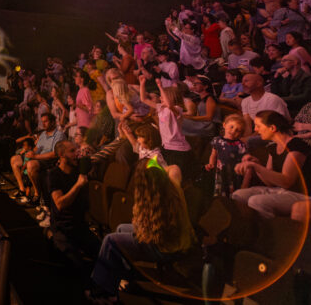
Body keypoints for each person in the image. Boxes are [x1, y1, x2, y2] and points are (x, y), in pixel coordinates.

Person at [89, 160, 194, 301]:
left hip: (164, 248)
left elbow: (146, 233)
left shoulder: (153, 203)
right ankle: (125, 277)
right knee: (121, 228)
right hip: (174, 241)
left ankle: (103, 292)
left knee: (110, 240)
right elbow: (175, 167)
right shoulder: (172, 185)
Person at [232, 111, 311, 218]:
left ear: (272, 128)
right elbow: (270, 183)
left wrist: (256, 166)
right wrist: (256, 164)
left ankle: (270, 231)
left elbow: (287, 181)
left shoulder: (296, 146)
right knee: (239, 195)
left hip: (302, 194)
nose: (255, 130)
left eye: (258, 126)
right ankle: (248, 229)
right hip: (281, 191)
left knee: (257, 201)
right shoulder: (273, 148)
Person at [47, 140, 98, 256]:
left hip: (80, 227)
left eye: (76, 150)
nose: (77, 153)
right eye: (72, 151)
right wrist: (78, 185)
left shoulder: (79, 167)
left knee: (102, 255)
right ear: (61, 155)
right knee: (73, 262)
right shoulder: (54, 174)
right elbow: (60, 204)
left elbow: (101, 155)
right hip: (63, 228)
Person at [10, 112, 62, 206]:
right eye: (42, 122)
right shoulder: (43, 134)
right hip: (38, 157)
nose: (43, 124)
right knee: (14, 159)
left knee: (31, 165)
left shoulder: (58, 135)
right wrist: (31, 152)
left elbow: (54, 154)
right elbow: (37, 148)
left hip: (48, 160)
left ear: (53, 122)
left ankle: (37, 194)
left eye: (46, 121)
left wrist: (35, 156)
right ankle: (22, 189)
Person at [205, 114, 249, 197]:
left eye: (237, 130)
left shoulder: (240, 145)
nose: (233, 131)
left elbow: (245, 160)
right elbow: (213, 154)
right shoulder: (217, 140)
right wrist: (211, 164)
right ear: (224, 125)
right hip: (221, 172)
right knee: (221, 193)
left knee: (234, 194)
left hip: (234, 173)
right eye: (231, 127)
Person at [239, 73, 290, 137]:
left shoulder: (272, 99)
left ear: (259, 83)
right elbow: (247, 126)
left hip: (278, 133)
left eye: (246, 81)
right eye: (242, 82)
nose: (242, 84)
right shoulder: (245, 101)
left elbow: (273, 125)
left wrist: (248, 139)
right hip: (260, 133)